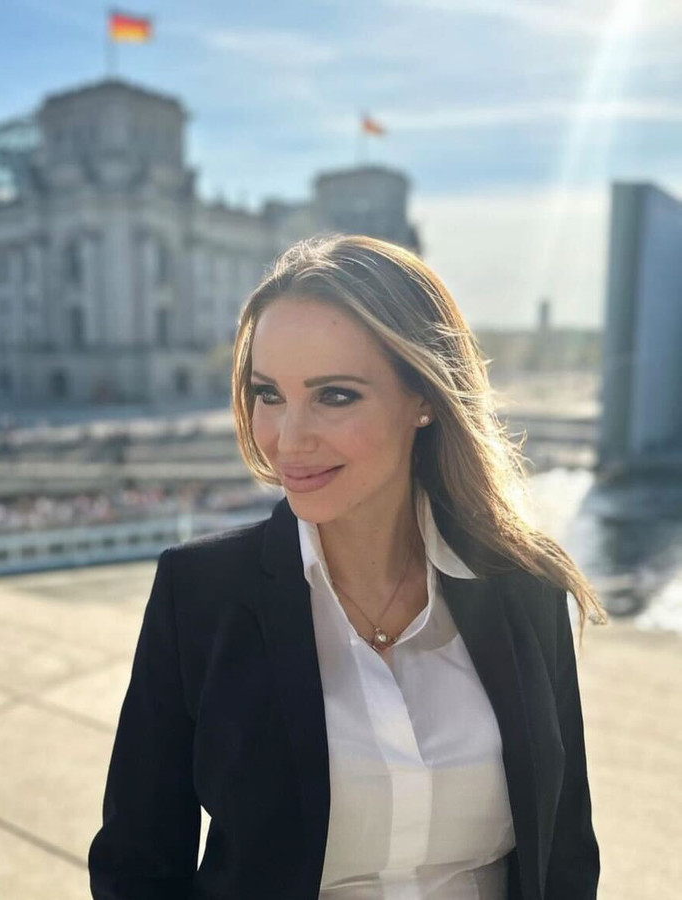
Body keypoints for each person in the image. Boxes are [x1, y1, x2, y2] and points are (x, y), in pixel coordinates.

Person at [88, 234, 606, 900]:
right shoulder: (199, 595)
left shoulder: (524, 586)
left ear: (423, 398)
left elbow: (565, 852)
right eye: (268, 394)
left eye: (334, 396)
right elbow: (136, 867)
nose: (288, 438)